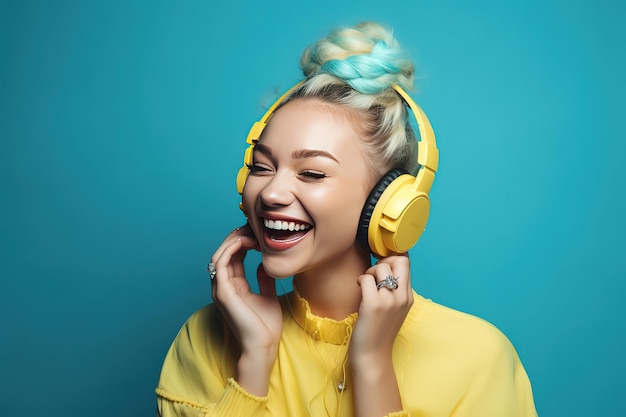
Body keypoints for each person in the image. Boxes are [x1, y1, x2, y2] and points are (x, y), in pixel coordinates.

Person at [155, 21, 538, 417]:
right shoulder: (205, 339)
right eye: (261, 167)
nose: (270, 193)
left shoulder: (477, 358)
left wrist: (372, 366)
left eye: (312, 173)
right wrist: (256, 359)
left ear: (388, 201)